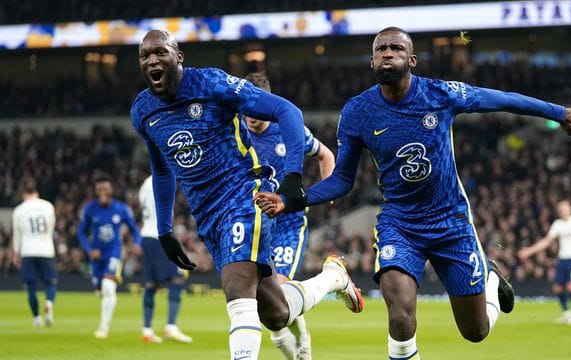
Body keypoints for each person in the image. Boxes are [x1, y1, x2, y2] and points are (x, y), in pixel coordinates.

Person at [255, 26, 571, 359]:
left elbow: (501, 99)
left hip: (450, 222)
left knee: (476, 332)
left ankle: (493, 285)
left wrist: (557, 112)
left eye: (395, 48)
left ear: (411, 59)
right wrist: (294, 198)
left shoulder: (440, 94)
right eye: (381, 48)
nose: (387, 53)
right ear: (371, 61)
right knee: (399, 315)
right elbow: (342, 179)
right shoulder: (356, 112)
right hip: (400, 224)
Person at [130, 29, 362, 360]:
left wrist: (293, 176)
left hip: (244, 196)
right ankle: (332, 278)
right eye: (145, 56)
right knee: (276, 313)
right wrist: (165, 230)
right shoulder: (143, 111)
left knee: (237, 292)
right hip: (208, 215)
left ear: (178, 57)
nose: (153, 60)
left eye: (160, 53)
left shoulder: (211, 84)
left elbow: (289, 112)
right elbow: (163, 170)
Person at [243, 72, 336, 359]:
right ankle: (299, 344)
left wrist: (327, 190)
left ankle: (303, 347)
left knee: (280, 294)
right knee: (268, 310)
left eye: (257, 109)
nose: (251, 115)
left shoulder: (288, 127)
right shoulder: (234, 131)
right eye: (246, 108)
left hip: (288, 224)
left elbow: (326, 155)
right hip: (253, 225)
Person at [78, 173, 142, 339]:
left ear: (111, 189)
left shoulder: (121, 209)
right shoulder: (90, 209)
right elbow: (81, 232)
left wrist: (136, 243)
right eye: (100, 189)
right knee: (100, 289)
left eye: (105, 188)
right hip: (96, 255)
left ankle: (103, 328)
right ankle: (104, 287)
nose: (103, 191)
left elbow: (134, 229)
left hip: (114, 253)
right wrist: (89, 250)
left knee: (108, 286)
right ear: (96, 191)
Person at [138, 175, 192, 343]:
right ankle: (171, 326)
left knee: (150, 284)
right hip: (157, 236)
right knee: (178, 277)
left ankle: (147, 330)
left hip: (146, 235)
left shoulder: (144, 184)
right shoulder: (161, 180)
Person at [518, 200, 571, 325]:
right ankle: (566, 313)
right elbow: (546, 241)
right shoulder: (558, 224)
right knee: (557, 288)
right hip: (563, 259)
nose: (561, 210)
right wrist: (529, 251)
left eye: (564, 208)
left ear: (570, 209)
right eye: (560, 209)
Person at [12, 180, 57, 328]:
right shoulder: (48, 206)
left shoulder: (19, 210)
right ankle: (49, 303)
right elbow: (50, 228)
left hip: (28, 251)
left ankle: (37, 318)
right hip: (46, 249)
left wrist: (15, 253)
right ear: (37, 192)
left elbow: (17, 235)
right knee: (51, 283)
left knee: (31, 287)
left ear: (24, 194)